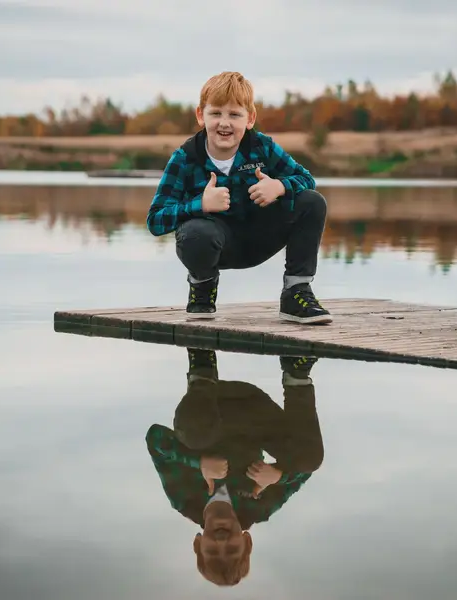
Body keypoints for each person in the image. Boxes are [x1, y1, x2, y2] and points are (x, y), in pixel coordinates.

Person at [146, 71, 332, 324]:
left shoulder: (262, 147)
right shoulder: (185, 158)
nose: (225, 123)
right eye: (216, 113)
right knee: (196, 232)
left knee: (312, 201)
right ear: (201, 116)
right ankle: (202, 288)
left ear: (250, 118)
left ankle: (295, 293)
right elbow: (155, 220)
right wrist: (199, 204)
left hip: (260, 239)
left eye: (234, 115)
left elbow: (307, 179)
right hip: (214, 246)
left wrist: (279, 186)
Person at [144, 348, 325, 586]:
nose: (221, 542)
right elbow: (305, 471)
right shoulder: (261, 507)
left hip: (212, 400)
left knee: (194, 436)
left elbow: (155, 438)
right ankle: (297, 374)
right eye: (232, 550)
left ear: (198, 544)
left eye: (212, 550)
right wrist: (278, 475)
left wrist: (198, 463)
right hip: (255, 410)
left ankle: (202, 366)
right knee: (310, 457)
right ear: (246, 542)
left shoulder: (184, 499)